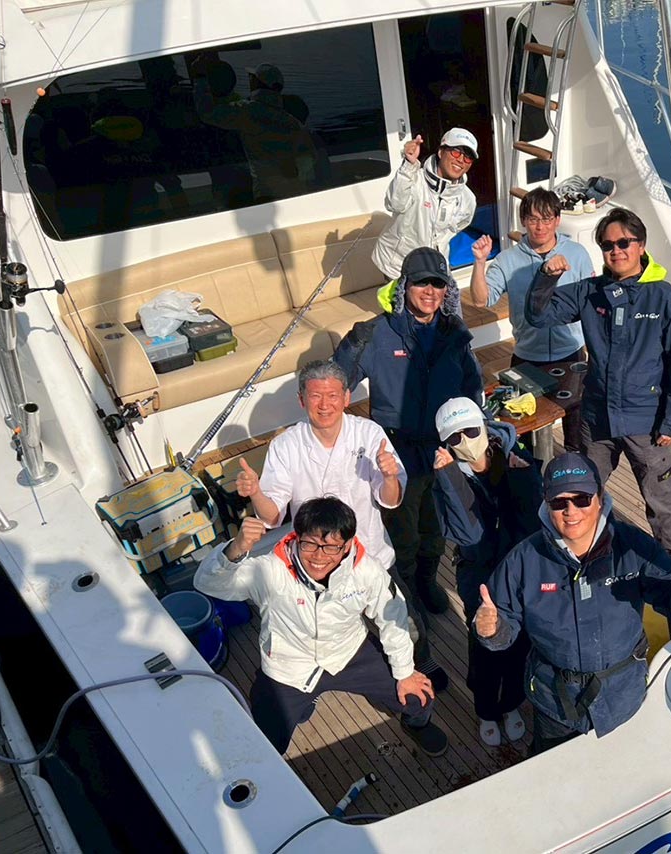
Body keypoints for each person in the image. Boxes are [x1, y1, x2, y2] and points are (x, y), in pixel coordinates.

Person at [232, 359, 448, 692]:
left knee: (406, 620)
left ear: (346, 397)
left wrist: (390, 475)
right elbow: (272, 515)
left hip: (368, 554)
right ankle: (308, 682)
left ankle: (420, 661)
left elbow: (391, 499)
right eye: (316, 396)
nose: (325, 405)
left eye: (333, 395)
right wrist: (256, 492)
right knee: (316, 628)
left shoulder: (369, 433)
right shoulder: (286, 446)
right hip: (313, 561)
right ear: (302, 400)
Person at [475, 453, 671, 753]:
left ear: (600, 499)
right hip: (555, 704)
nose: (571, 511)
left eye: (582, 498)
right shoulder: (523, 559)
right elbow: (501, 628)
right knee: (555, 775)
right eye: (559, 502)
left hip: (624, 698)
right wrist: (490, 630)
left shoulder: (634, 546)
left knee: (626, 767)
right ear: (546, 506)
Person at [195, 497, 449, 757]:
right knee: (265, 745)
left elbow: (393, 619)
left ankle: (416, 725)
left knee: (418, 697)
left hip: (349, 653)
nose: (318, 557)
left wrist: (405, 673)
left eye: (330, 547)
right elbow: (207, 584)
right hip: (288, 668)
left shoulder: (368, 571)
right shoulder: (269, 570)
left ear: (347, 545)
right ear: (297, 537)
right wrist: (235, 549)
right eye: (309, 544)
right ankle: (300, 705)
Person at [524, 207, 671, 555]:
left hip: (647, 423)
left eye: (623, 243)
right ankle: (588, 554)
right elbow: (538, 316)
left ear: (641, 245)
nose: (616, 251)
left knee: (660, 501)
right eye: (607, 245)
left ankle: (669, 560)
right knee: (586, 491)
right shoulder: (590, 292)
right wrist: (545, 276)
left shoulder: (666, 300)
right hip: (596, 418)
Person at [333, 247, 484, 616]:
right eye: (421, 283)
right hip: (396, 453)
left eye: (439, 283)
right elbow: (337, 384)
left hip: (444, 451)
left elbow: (472, 391)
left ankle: (428, 581)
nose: (430, 291)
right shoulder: (374, 335)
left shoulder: (456, 335)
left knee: (436, 528)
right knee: (402, 534)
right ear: (404, 286)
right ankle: (407, 596)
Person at [430, 397, 541, 746]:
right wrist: (450, 478)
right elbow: (468, 535)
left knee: (521, 639)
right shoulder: (445, 478)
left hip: (520, 567)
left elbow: (532, 520)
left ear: (485, 426)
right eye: (454, 438)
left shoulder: (516, 457)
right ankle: (486, 710)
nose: (463, 441)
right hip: (478, 574)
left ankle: (510, 704)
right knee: (484, 643)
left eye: (470, 431)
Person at [470, 188, 593, 454]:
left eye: (547, 219)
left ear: (558, 220)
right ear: (523, 221)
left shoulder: (578, 253)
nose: (540, 226)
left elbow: (591, 304)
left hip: (571, 356)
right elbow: (482, 300)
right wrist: (479, 263)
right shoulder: (506, 260)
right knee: (523, 439)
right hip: (527, 357)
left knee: (577, 437)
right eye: (534, 219)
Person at [191, 59, 317, 202]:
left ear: (256, 83)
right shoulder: (292, 122)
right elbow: (310, 154)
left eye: (252, 78)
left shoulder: (245, 112)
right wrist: (296, 171)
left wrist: (200, 78)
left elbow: (207, 113)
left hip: (266, 194)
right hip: (296, 191)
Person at [371, 128, 478, 280]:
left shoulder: (468, 199)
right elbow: (394, 204)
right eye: (456, 152)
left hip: (434, 267)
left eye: (468, 157)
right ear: (441, 152)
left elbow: (454, 230)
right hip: (397, 266)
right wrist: (409, 163)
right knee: (402, 304)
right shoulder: (413, 178)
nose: (461, 160)